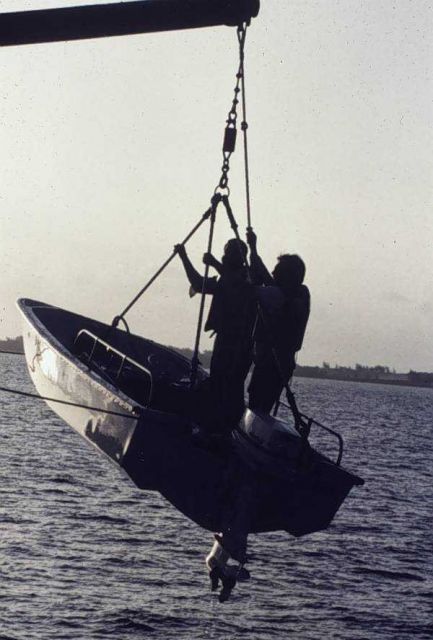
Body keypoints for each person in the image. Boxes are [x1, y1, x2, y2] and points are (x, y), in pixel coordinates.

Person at [175, 239, 256, 433]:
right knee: (220, 383)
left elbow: (238, 286)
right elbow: (198, 284)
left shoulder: (244, 278)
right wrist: (184, 257)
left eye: (228, 253)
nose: (224, 256)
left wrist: (214, 264)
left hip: (236, 345)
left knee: (229, 386)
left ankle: (224, 430)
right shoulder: (226, 278)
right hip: (225, 341)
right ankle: (215, 427)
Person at [246, 229, 310, 413]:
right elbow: (268, 278)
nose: (273, 272)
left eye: (278, 271)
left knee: (259, 402)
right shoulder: (295, 293)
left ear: (288, 276)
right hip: (274, 361)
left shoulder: (291, 297)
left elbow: (261, 287)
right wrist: (253, 248)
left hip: (273, 363)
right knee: (259, 401)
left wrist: (253, 250)